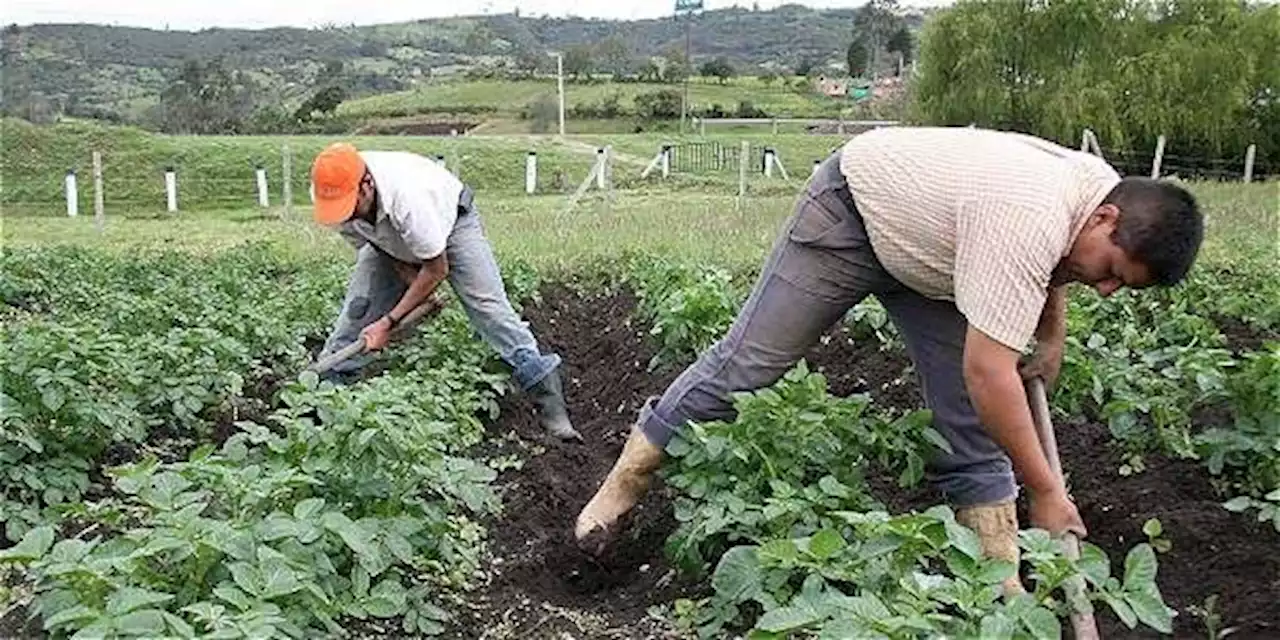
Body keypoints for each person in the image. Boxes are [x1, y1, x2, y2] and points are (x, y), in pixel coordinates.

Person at [573, 126, 1203, 594]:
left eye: (1126, 286)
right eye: (1115, 274)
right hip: (853, 212)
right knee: (749, 365)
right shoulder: (1027, 216)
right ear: (1107, 218)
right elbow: (992, 371)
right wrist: (1046, 490)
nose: (1109, 290)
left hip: (937, 259)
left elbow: (1062, 264)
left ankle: (999, 593)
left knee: (972, 425)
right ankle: (623, 484)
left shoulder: (1092, 189)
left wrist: (1052, 333)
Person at [309, 142, 581, 441]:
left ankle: (550, 406)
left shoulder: (409, 198)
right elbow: (378, 244)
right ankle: (320, 400)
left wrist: (390, 322)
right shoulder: (334, 199)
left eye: (351, 207)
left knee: (489, 309)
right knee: (357, 311)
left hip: (452, 223)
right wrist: (412, 287)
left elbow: (437, 269)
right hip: (394, 239)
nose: (347, 216)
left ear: (367, 185)